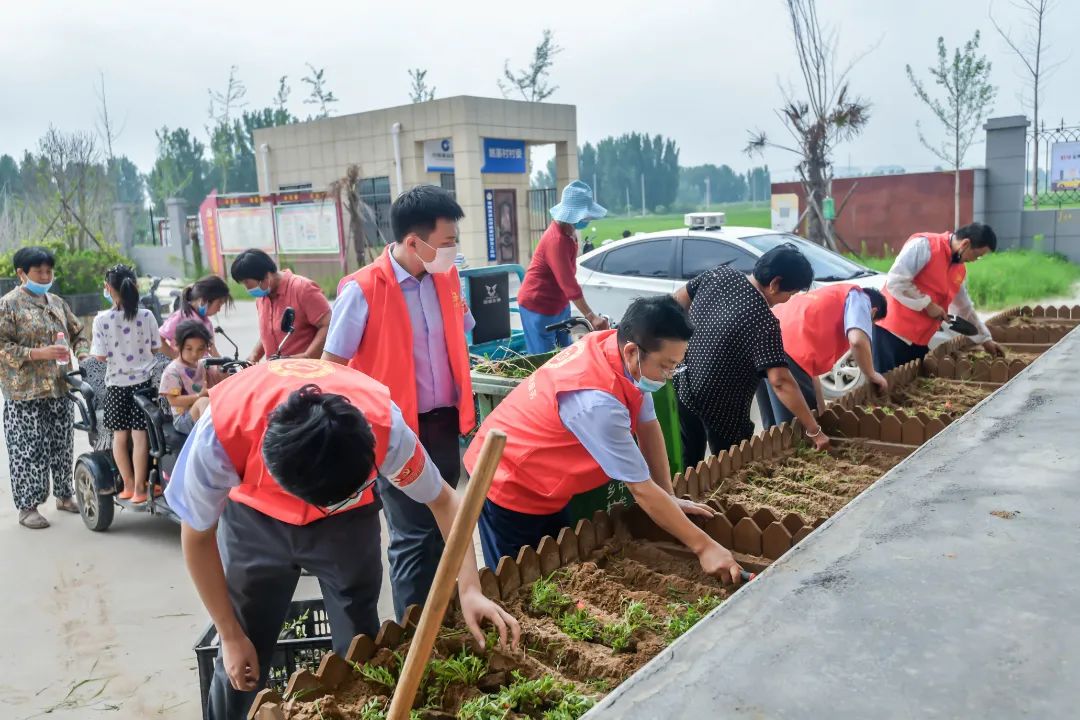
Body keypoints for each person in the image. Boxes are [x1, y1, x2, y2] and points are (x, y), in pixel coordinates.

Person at [164, 359, 519, 720]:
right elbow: (196, 538)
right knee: (242, 650)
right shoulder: (220, 432)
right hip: (254, 521)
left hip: (347, 528)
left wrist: (470, 588)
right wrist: (229, 634)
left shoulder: (386, 428)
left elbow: (444, 501)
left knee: (359, 646)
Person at [465, 295, 745, 585]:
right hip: (509, 479)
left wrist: (669, 495)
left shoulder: (615, 350)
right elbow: (640, 489)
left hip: (546, 475)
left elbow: (648, 425)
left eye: (675, 366)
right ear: (633, 351)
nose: (669, 376)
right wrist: (704, 547)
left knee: (552, 566)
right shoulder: (597, 402)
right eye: (666, 366)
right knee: (521, 583)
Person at [323, 185, 475, 619]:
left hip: (444, 422)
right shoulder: (363, 289)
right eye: (447, 242)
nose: (453, 251)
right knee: (411, 536)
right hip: (394, 431)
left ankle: (445, 618)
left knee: (443, 524)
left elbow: (461, 334)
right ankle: (414, 632)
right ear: (413, 242)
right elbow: (331, 368)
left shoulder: (447, 277)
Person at [674, 245, 829, 470]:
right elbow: (781, 381)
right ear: (775, 283)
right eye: (791, 293)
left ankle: (683, 501)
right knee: (731, 467)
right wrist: (814, 430)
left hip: (685, 385)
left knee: (689, 463)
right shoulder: (764, 321)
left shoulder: (718, 274)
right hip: (723, 407)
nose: (788, 300)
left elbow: (676, 303)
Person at [0, 246, 89, 529]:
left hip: (60, 387)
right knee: (29, 450)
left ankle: (64, 495)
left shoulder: (57, 302)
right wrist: (38, 353)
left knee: (62, 445)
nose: (45, 275)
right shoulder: (8, 305)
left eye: (48, 271)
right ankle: (28, 507)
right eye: (38, 271)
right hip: (25, 392)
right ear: (21, 273)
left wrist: (83, 353)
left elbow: (78, 333)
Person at [873, 223, 1003, 373]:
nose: (974, 260)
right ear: (965, 244)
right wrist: (927, 305)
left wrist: (985, 339)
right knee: (886, 386)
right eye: (977, 255)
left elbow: (964, 308)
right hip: (891, 333)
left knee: (910, 386)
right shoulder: (924, 246)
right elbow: (896, 281)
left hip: (919, 339)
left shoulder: (959, 270)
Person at [757, 285, 889, 429]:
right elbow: (857, 341)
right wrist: (871, 374)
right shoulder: (860, 298)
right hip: (788, 353)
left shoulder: (830, 295)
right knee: (797, 428)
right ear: (873, 311)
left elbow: (812, 372)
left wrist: (821, 409)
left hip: (761, 344)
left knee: (773, 432)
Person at [91, 264, 161, 504]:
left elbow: (99, 357)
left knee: (119, 439)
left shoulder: (102, 319)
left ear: (108, 288)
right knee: (140, 438)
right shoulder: (147, 315)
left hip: (117, 386)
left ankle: (128, 486)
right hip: (143, 386)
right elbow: (155, 347)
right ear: (134, 286)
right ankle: (142, 488)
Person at [516, 181, 610, 354]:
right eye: (585, 216)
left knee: (565, 355)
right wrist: (591, 316)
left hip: (559, 305)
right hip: (538, 305)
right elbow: (569, 285)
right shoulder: (556, 240)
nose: (587, 219)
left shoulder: (569, 233)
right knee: (544, 360)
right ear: (573, 214)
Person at [229, 250, 331, 362]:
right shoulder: (262, 298)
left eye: (247, 283)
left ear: (266, 276)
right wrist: (254, 355)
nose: (247, 289)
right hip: (277, 373)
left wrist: (307, 356)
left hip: (305, 371)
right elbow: (270, 332)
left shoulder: (302, 289)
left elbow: (328, 325)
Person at [158, 275, 233, 359]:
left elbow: (212, 350)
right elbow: (158, 339)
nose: (219, 309)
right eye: (219, 304)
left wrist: (223, 364)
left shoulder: (207, 323)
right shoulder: (180, 317)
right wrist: (177, 358)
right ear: (204, 300)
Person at [159, 321, 212, 434]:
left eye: (200, 349)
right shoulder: (172, 371)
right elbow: (173, 401)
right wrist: (198, 396)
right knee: (203, 402)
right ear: (177, 346)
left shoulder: (201, 365)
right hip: (183, 418)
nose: (194, 354)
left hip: (200, 411)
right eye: (189, 349)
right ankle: (206, 438)